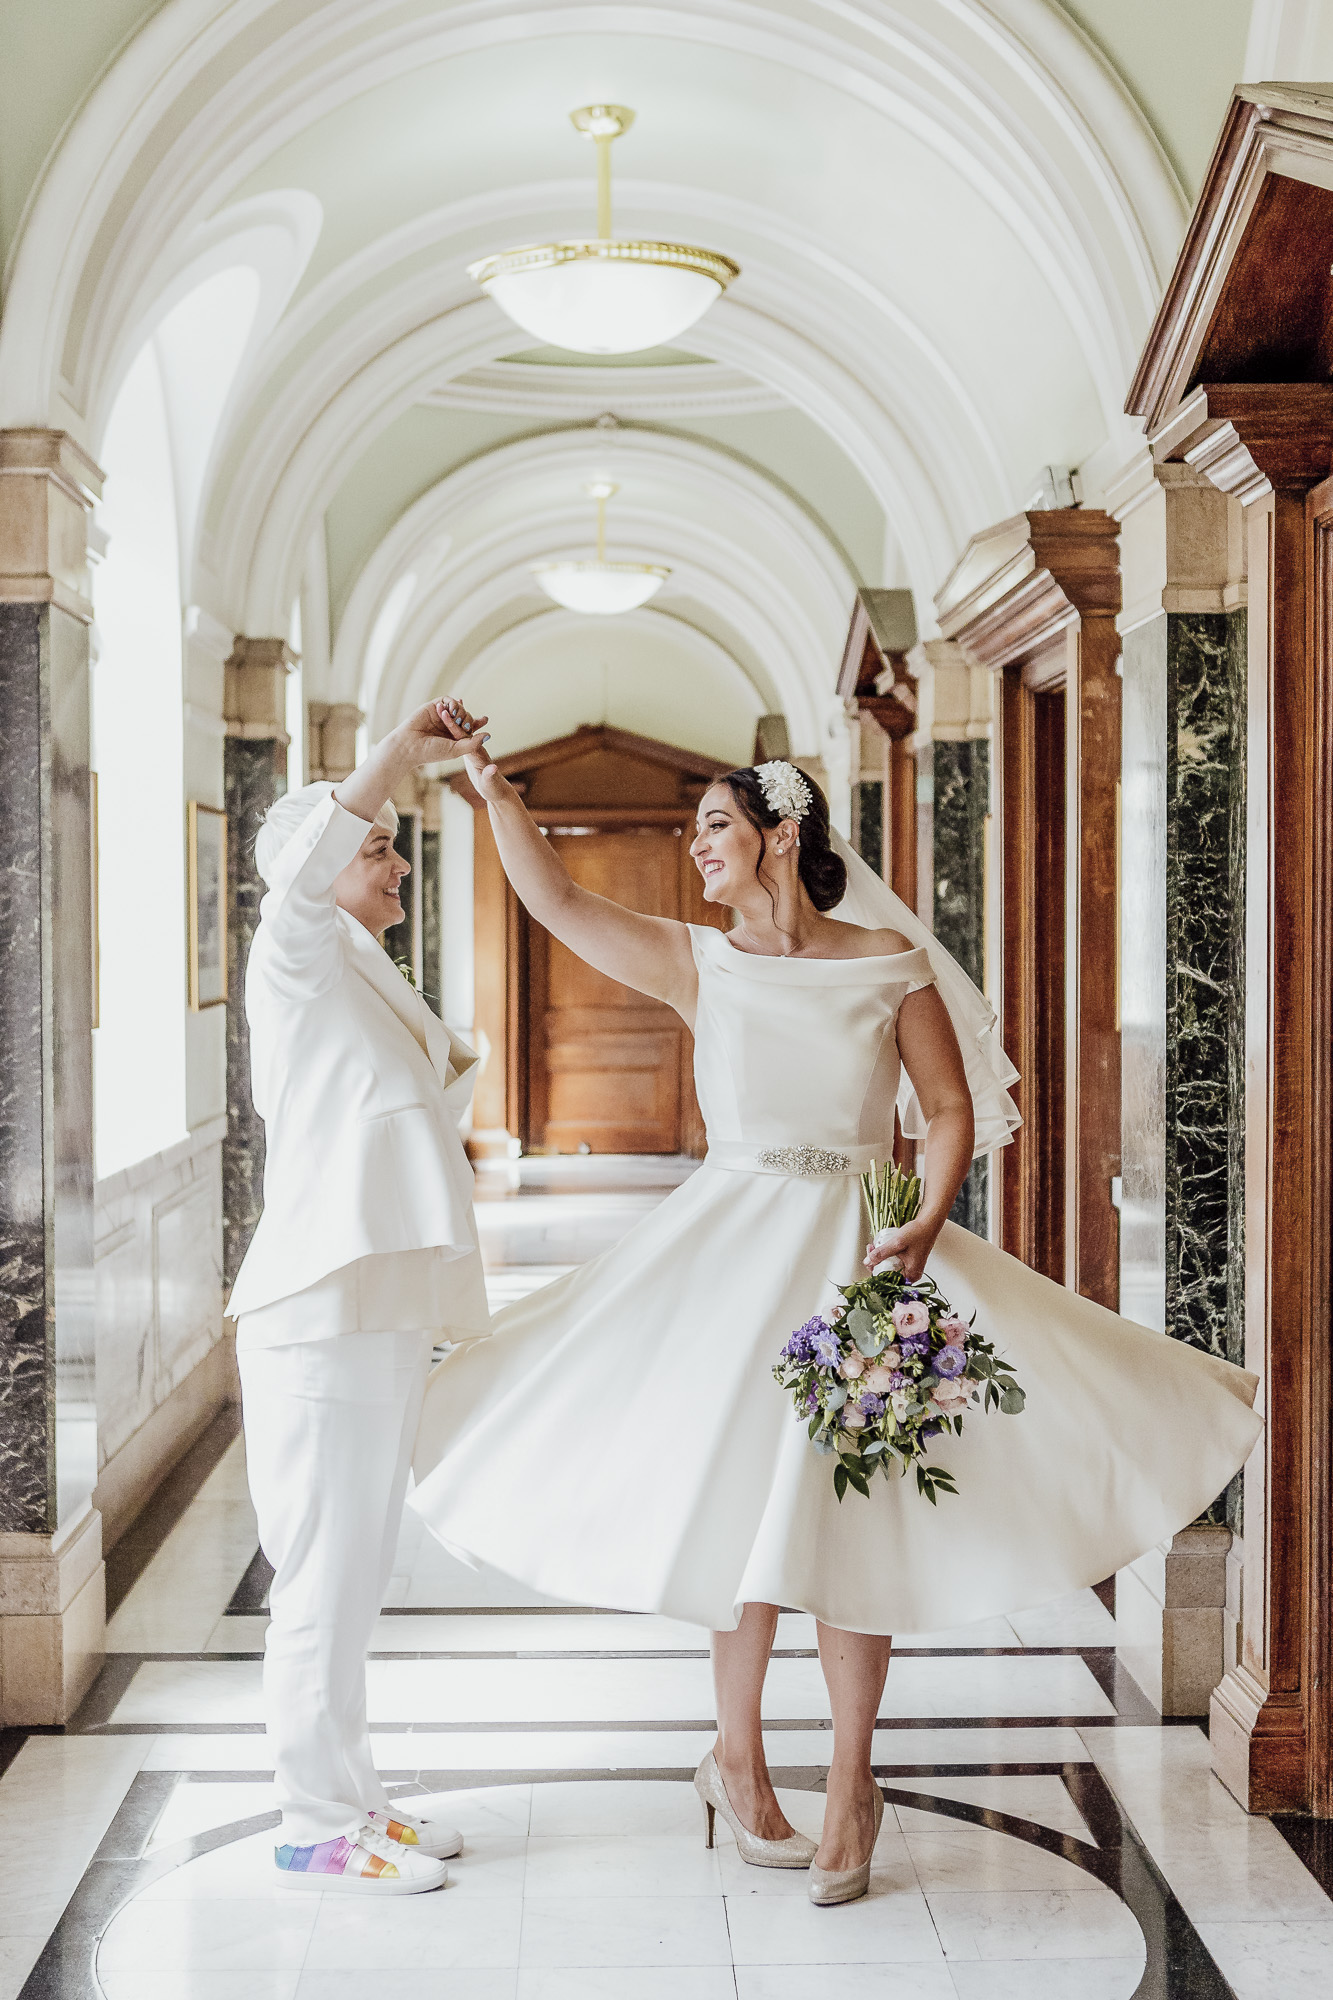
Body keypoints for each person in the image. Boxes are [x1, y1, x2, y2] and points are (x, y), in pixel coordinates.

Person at [410, 750, 1260, 1908]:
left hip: (865, 1251)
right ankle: (739, 1761)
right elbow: (554, 898)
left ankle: (854, 1782)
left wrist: (922, 1223)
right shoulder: (694, 959)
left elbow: (950, 1109)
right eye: (696, 828)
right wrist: (490, 790)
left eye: (714, 823)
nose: (698, 845)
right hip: (724, 1259)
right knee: (741, 1512)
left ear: (779, 830)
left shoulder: (889, 963)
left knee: (855, 1513)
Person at [227, 696, 492, 1895]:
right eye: (378, 848)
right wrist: (397, 750)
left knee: (360, 1570)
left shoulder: (359, 962)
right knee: (321, 1573)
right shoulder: (291, 951)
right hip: (317, 1307)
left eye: (391, 844)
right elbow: (323, 850)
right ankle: (310, 1819)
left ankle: (357, 1796)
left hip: (378, 1306)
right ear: (320, 869)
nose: (395, 861)